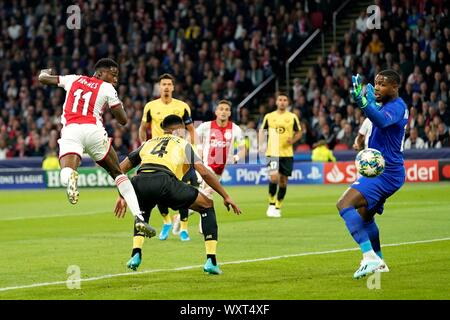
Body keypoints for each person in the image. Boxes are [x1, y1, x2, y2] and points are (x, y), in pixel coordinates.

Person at [38, 58, 155, 238]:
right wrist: (117, 104)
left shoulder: (74, 79)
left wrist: (46, 70)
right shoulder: (107, 88)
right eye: (113, 74)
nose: (116, 79)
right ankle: (139, 217)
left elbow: (43, 78)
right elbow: (123, 120)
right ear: (99, 73)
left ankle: (70, 179)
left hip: (71, 130)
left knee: (67, 169)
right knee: (118, 174)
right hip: (94, 131)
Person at [114, 115, 241, 274]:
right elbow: (205, 173)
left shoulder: (148, 143)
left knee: (143, 211)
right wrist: (225, 196)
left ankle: (135, 254)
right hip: (165, 181)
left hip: (139, 182)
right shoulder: (183, 143)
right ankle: (211, 261)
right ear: (179, 129)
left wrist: (122, 194)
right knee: (206, 204)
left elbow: (119, 169)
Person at [337, 70, 408, 279]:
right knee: (365, 216)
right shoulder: (385, 105)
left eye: (383, 84)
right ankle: (380, 260)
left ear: (395, 87)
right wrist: (368, 102)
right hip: (387, 171)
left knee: (344, 204)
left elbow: (382, 121)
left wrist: (364, 102)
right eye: (376, 83)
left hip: (386, 172)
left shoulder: (398, 107)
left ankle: (369, 257)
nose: (377, 87)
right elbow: (375, 116)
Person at [139, 73, 198, 241]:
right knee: (158, 191)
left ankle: (184, 228)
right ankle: (166, 222)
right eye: (163, 84)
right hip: (159, 155)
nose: (165, 87)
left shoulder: (182, 106)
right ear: (159, 87)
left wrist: (191, 150)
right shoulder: (150, 106)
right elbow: (143, 127)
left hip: (178, 153)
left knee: (185, 188)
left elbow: (191, 130)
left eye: (168, 84)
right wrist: (144, 144)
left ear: (173, 87)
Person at [174, 100, 245, 235]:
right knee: (208, 192)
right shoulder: (206, 126)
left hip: (220, 169)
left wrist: (236, 158)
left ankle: (181, 215)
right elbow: (191, 137)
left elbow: (243, 148)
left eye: (226, 109)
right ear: (216, 112)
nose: (223, 111)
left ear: (230, 113)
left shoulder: (235, 129)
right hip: (205, 166)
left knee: (204, 193)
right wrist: (195, 152)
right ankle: (203, 226)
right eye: (221, 109)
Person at [259, 92, 302, 218]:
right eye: (280, 100)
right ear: (276, 102)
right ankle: (271, 203)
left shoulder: (292, 117)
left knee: (283, 181)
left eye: (284, 100)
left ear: (288, 103)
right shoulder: (269, 116)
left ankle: (278, 206)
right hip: (272, 152)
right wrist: (261, 145)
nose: (282, 102)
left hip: (287, 154)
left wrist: (293, 140)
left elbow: (299, 132)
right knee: (274, 178)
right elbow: (262, 131)